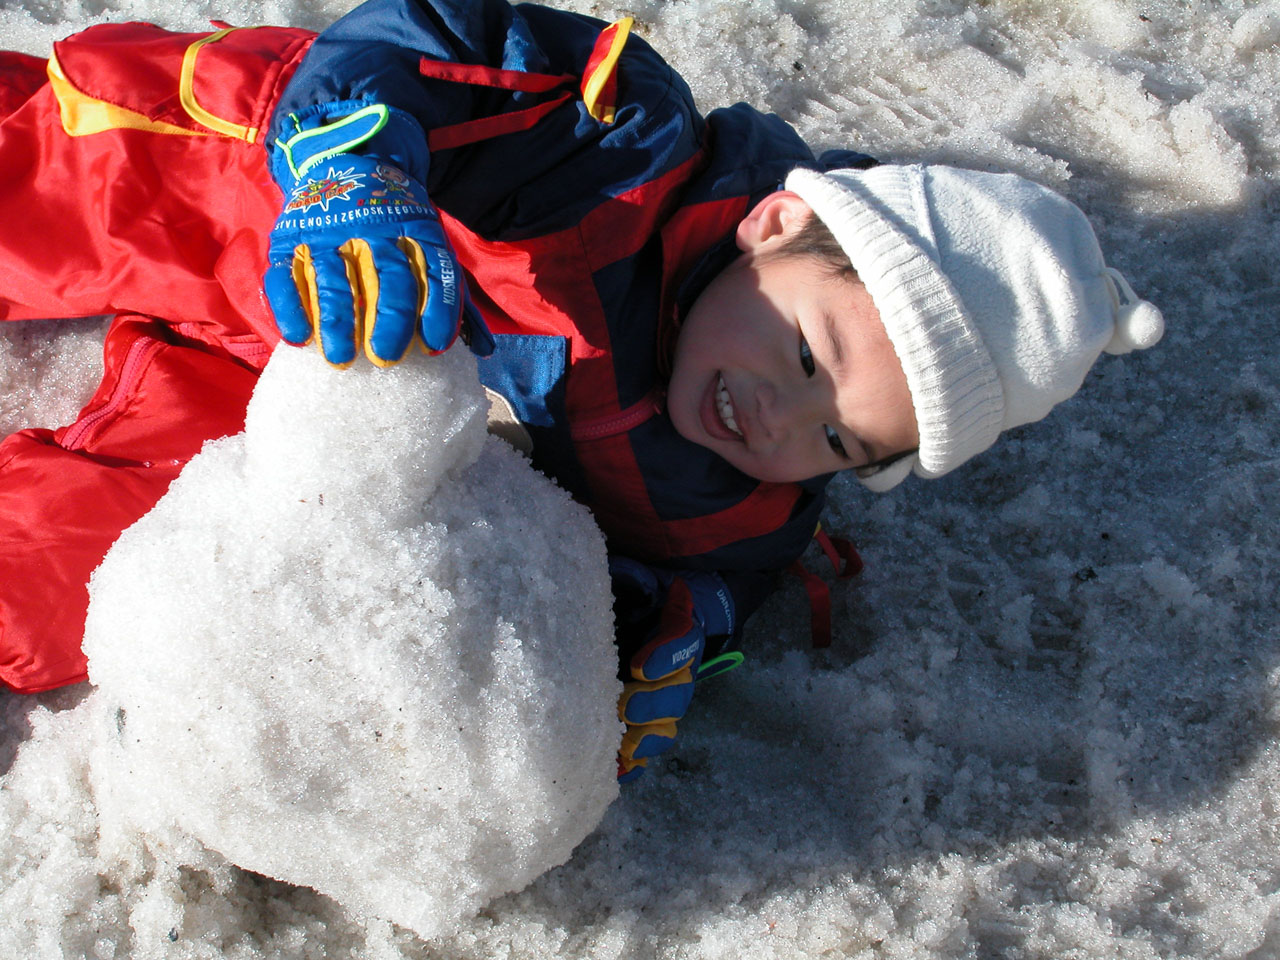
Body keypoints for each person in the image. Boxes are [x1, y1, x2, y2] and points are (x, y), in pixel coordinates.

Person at [0, 0, 1161, 781]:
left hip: (319, 396)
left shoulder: (727, 499)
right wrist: (352, 162)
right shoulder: (616, 146)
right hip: (272, 203)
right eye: (808, 358)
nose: (780, 417)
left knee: (76, 582)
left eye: (838, 442)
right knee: (38, 178)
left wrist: (652, 637)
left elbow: (714, 581)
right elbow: (424, 38)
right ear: (774, 225)